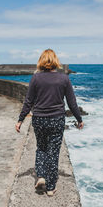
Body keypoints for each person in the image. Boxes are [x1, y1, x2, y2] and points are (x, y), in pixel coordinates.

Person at [15, 49, 84, 197]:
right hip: (56, 119)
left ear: (41, 60)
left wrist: (20, 120)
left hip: (39, 119)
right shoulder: (64, 79)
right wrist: (79, 119)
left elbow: (28, 102)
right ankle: (51, 188)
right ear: (55, 61)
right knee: (53, 152)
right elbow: (72, 102)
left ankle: (41, 177)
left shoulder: (36, 78)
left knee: (41, 148)